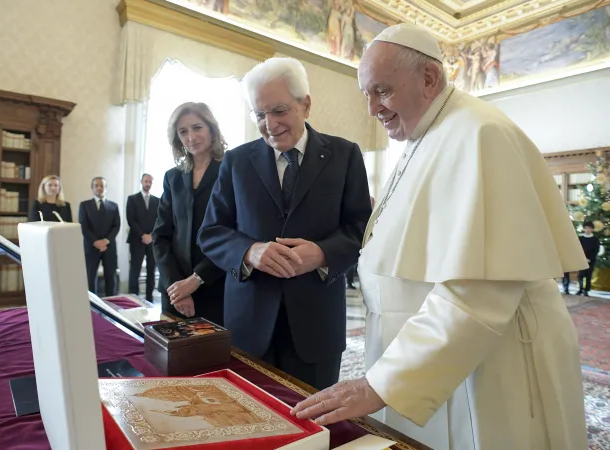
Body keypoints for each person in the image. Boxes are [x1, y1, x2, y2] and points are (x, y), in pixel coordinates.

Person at [291, 24, 589, 450]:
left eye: (382, 91)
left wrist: (385, 382)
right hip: (429, 352)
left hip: (491, 357)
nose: (372, 107)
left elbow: (479, 290)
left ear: (429, 79)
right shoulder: (423, 135)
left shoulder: (478, 133)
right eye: (367, 94)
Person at [198, 57, 372, 390]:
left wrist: (321, 254)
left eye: (279, 111)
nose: (269, 124)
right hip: (248, 323)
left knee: (312, 424)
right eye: (259, 114)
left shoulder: (345, 155)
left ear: (305, 105)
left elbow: (360, 227)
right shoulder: (236, 161)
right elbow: (212, 232)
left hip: (316, 324)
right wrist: (250, 252)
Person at [152, 102, 226, 325]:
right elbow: (161, 236)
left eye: (197, 127)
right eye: (183, 131)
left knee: (215, 359)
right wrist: (178, 287)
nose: (191, 137)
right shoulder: (172, 177)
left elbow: (233, 233)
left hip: (216, 288)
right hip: (174, 293)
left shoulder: (230, 171)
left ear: (211, 129)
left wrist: (196, 280)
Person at [79, 176, 120, 297]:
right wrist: (96, 242)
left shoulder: (114, 206)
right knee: (90, 277)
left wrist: (105, 241)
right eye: (96, 185)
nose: (99, 188)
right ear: (92, 188)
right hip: (91, 247)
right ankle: (92, 305)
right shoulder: (84, 205)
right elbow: (83, 226)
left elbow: (116, 226)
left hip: (109, 247)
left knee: (110, 277)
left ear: (106, 188)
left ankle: (111, 305)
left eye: (102, 185)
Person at [126, 173, 159, 301]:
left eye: (150, 182)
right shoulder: (132, 199)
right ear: (141, 182)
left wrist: (151, 236)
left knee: (151, 271)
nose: (148, 184)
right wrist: (142, 235)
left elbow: (159, 220)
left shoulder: (157, 200)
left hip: (152, 241)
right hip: (136, 240)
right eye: (146, 181)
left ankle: (149, 299)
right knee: (135, 271)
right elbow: (131, 219)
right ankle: (133, 299)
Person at [577, 220, 601, 296]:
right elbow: (578, 249)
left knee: (588, 275)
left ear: (592, 229)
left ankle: (586, 291)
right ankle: (580, 289)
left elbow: (596, 250)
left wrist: (589, 259)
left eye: (589, 228)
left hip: (591, 260)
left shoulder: (595, 239)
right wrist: (583, 258)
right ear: (583, 229)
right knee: (580, 275)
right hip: (581, 259)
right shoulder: (580, 238)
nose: (587, 230)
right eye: (586, 228)